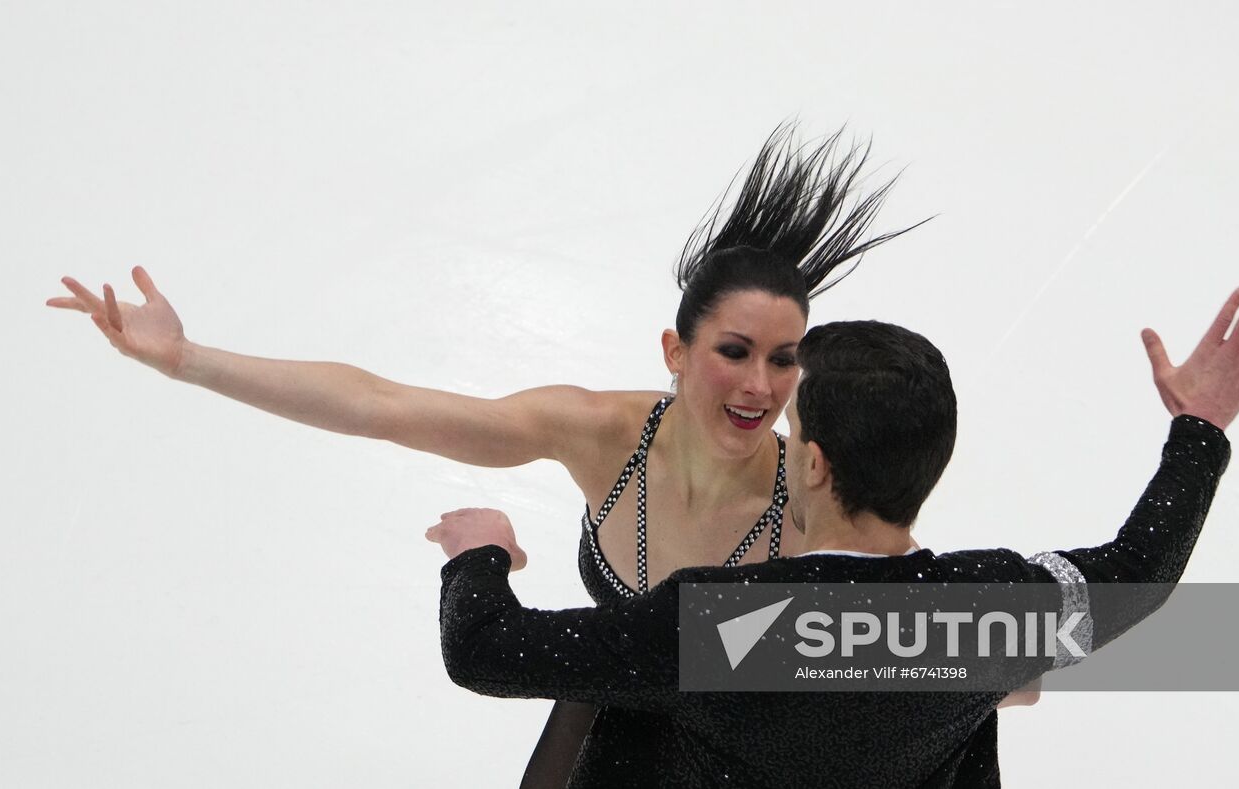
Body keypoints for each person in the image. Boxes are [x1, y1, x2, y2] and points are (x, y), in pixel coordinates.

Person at [47, 124, 959, 786]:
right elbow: (381, 405)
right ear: (676, 352)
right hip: (605, 724)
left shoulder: (813, 488)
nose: (761, 386)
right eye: (734, 351)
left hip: (747, 755)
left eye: (784, 358)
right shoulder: (600, 431)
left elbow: (930, 635)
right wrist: (187, 359)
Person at [430, 286, 1239, 788]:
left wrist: (481, 548)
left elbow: (485, 650)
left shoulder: (720, 623)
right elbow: (1140, 572)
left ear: (811, 465)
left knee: (613, 692)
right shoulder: (988, 607)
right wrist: (1201, 428)